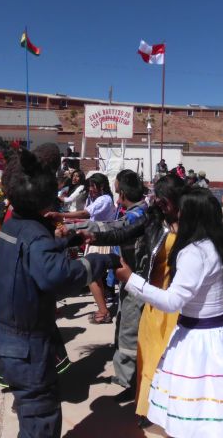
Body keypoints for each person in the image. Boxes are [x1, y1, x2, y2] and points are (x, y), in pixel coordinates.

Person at [0, 146, 121, 438]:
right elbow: (58, 276)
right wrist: (100, 261)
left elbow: (35, 253)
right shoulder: (36, 235)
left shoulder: (13, 226)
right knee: (41, 421)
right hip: (27, 348)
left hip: (6, 339)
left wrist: (69, 240)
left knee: (30, 414)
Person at [115, 188, 223, 437]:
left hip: (199, 341)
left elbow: (172, 301)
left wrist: (131, 280)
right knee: (214, 402)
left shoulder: (195, 252)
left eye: (181, 211)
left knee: (194, 406)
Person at [83, 174, 186, 426]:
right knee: (147, 351)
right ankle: (143, 403)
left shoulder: (193, 223)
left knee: (168, 356)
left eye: (164, 202)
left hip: (174, 299)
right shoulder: (154, 218)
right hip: (150, 291)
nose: (160, 206)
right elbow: (123, 231)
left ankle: (163, 406)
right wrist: (89, 236)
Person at [65, 169, 148, 400]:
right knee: (125, 325)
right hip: (130, 281)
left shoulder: (139, 214)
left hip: (137, 282)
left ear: (122, 190)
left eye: (118, 188)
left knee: (130, 332)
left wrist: (73, 228)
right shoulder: (136, 210)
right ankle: (129, 378)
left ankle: (133, 385)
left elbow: (115, 228)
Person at [47, 173, 116, 324]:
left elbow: (86, 214)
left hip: (101, 237)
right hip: (94, 236)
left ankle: (104, 311)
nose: (90, 189)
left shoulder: (105, 199)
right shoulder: (96, 198)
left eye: (93, 186)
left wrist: (61, 215)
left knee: (94, 275)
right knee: (95, 276)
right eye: (89, 186)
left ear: (102, 186)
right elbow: (87, 217)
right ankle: (103, 308)